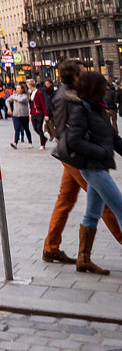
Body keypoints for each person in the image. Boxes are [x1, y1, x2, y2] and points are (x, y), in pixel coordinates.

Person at [43, 60, 122, 264]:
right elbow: (62, 130)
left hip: (76, 156)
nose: (86, 75)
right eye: (83, 72)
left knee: (66, 200)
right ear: (75, 76)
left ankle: (52, 247)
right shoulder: (64, 98)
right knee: (105, 202)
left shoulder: (79, 94)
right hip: (76, 158)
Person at [67, 70, 122, 275]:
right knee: (121, 209)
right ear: (95, 88)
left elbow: (113, 139)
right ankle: (83, 259)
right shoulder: (81, 110)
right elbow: (74, 140)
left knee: (92, 213)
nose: (108, 88)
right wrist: (99, 152)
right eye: (104, 85)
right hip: (93, 168)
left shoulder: (99, 109)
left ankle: (83, 260)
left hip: (99, 167)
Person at [8, 81, 32, 147]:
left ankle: (30, 142)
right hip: (16, 114)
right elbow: (7, 100)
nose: (17, 90)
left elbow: (20, 100)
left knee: (26, 128)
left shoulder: (25, 96)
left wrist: (13, 97)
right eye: (16, 88)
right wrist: (9, 108)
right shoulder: (14, 96)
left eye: (18, 88)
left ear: (22, 89)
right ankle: (15, 142)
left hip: (24, 115)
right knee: (17, 128)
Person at [31, 81, 49, 148]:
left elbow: (43, 104)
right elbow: (31, 105)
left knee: (39, 128)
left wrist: (46, 114)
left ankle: (42, 144)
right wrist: (31, 113)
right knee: (35, 128)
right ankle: (44, 138)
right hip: (33, 113)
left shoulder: (39, 93)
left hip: (39, 113)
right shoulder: (31, 93)